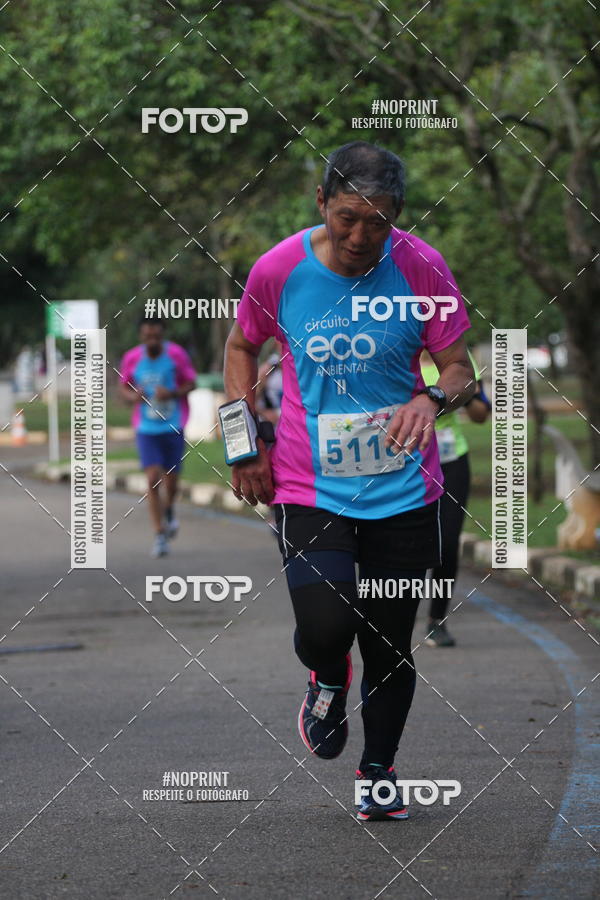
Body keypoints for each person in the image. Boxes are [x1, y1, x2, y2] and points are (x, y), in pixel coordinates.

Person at [223, 141, 475, 821]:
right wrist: (242, 445)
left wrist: (431, 398)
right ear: (320, 204)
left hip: (403, 494)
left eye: (379, 222)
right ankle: (325, 675)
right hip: (311, 487)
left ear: (397, 218)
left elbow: (458, 368)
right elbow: (242, 346)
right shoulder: (280, 270)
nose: (362, 236)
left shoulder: (421, 267)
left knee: (390, 641)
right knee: (328, 625)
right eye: (347, 218)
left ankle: (378, 771)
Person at [420, 348, 491, 647]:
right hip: (406, 460)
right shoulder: (396, 347)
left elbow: (480, 414)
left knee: (447, 543)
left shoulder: (458, 357)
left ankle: (437, 620)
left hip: (451, 459)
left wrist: (470, 397)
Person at [119, 317, 196, 557]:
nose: (152, 340)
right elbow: (123, 387)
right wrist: (133, 396)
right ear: (141, 337)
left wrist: (172, 393)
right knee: (152, 478)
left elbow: (191, 382)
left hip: (173, 426)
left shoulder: (176, 355)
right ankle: (159, 534)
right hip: (146, 429)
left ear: (162, 336)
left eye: (156, 336)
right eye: (147, 336)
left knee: (171, 482)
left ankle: (170, 508)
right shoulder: (132, 358)